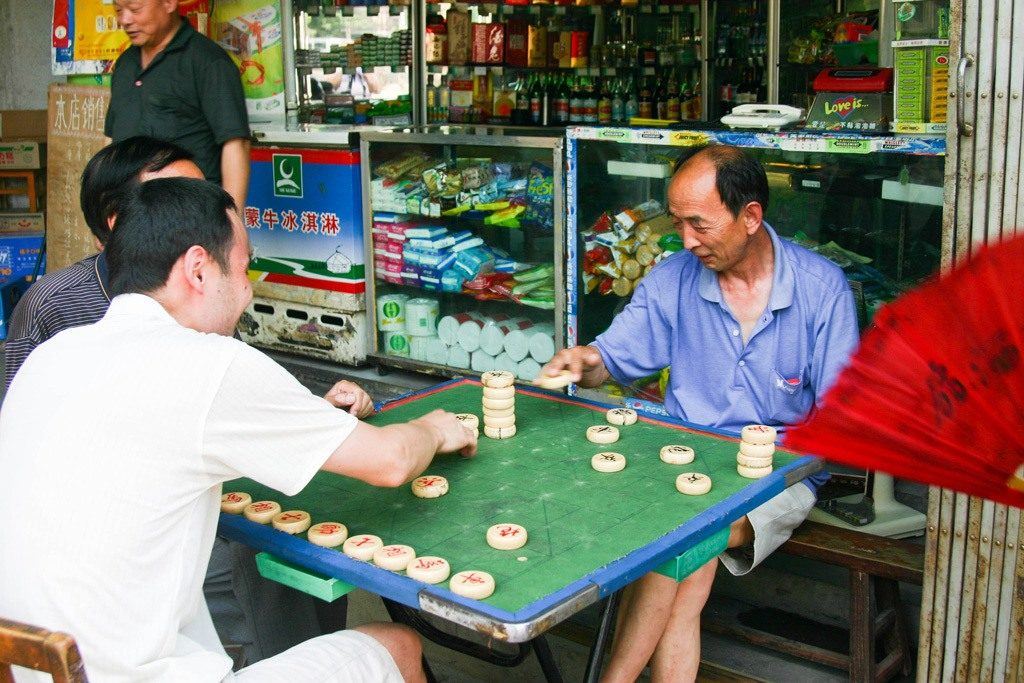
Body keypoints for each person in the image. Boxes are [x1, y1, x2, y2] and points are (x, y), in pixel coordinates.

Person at [0, 177, 477, 681]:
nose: (249, 291)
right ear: (200, 269)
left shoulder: (54, 354)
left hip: (28, 667)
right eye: (246, 269)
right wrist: (432, 429)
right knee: (398, 646)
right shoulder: (210, 364)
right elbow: (390, 461)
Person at [541, 145, 859, 681]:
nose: (686, 240)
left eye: (699, 224)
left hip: (779, 473)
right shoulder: (674, 280)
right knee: (688, 573)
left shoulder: (821, 291)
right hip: (678, 459)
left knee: (685, 535)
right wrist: (583, 362)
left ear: (751, 216)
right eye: (679, 222)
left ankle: (612, 679)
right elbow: (611, 362)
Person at [4, 136, 202, 390]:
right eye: (180, 206)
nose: (206, 220)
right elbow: (23, 418)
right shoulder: (51, 306)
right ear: (118, 223)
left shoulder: (207, 283)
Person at [105, 0, 251, 210]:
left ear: (168, 3)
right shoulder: (125, 63)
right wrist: (104, 210)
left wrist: (232, 221)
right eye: (119, 10)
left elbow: (235, 143)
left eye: (135, 9)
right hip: (130, 216)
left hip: (190, 215)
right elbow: (112, 140)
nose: (124, 20)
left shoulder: (207, 61)